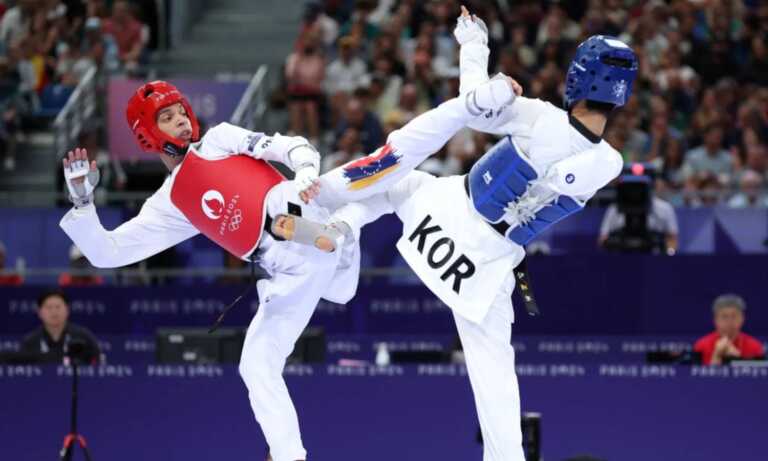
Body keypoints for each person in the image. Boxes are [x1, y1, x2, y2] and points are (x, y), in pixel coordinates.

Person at [59, 77, 515, 461]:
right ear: (147, 135)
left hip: (306, 204)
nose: (181, 118)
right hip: (288, 271)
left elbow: (288, 144)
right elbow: (109, 253)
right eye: (167, 117)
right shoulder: (171, 205)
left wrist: (303, 173)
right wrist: (82, 202)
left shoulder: (217, 140)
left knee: (392, 165)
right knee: (256, 365)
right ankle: (291, 457)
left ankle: (471, 106)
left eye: (180, 110)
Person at [328, 8, 635, 460]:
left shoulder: (538, 115)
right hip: (489, 259)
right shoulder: (611, 163)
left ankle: (339, 228)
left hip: (452, 212)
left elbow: (470, 103)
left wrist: (475, 45)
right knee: (493, 370)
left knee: (398, 180)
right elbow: (561, 184)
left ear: (579, 77)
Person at [19, 289, 101, 364]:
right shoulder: (30, 341)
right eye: (49, 307)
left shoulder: (83, 337)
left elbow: (97, 363)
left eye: (58, 307)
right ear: (40, 312)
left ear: (67, 310)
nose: (54, 312)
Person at [694, 294, 765, 365]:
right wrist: (717, 355)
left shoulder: (755, 346)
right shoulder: (701, 346)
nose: (729, 321)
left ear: (742, 318)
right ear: (715, 319)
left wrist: (737, 359)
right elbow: (692, 375)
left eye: (734, 316)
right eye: (724, 316)